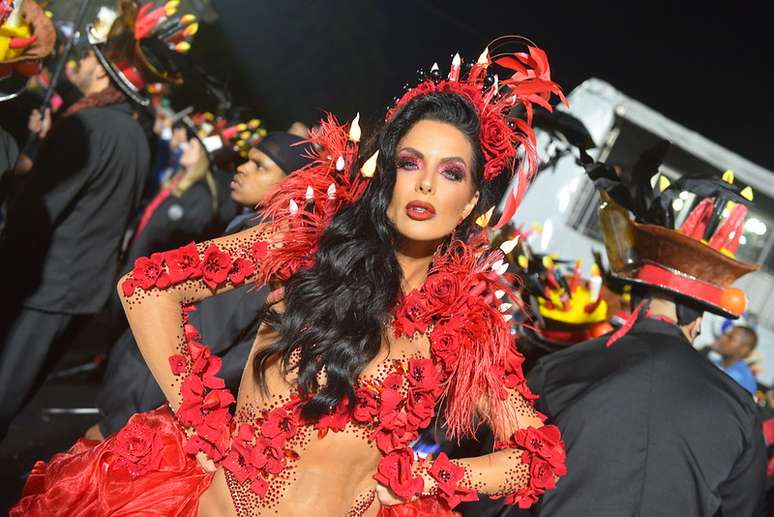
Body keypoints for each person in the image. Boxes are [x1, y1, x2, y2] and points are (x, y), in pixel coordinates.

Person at [13, 42, 568, 516]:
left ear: (470, 200)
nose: (424, 185)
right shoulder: (307, 245)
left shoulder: (463, 325)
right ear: (387, 175)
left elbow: (536, 457)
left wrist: (427, 479)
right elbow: (148, 285)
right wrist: (197, 417)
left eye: (450, 173)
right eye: (409, 162)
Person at [0, 0, 196, 440]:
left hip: (45, 286)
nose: (83, 59)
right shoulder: (130, 130)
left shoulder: (91, 126)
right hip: (76, 291)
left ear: (104, 72)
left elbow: (41, 209)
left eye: (90, 56)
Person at [527, 156, 767, 516]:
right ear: (694, 316)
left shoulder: (558, 369)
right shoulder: (739, 409)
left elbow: (503, 486)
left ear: (635, 296)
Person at [87, 131, 314, 440]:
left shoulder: (270, 248)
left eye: (260, 166)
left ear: (292, 186)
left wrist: (176, 399)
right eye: (247, 160)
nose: (242, 168)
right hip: (154, 377)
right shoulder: (252, 227)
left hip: (158, 387)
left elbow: (221, 336)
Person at [708, 325, 759, 396]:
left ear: (743, 350)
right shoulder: (713, 362)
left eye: (730, 338)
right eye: (725, 334)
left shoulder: (742, 380)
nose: (722, 337)